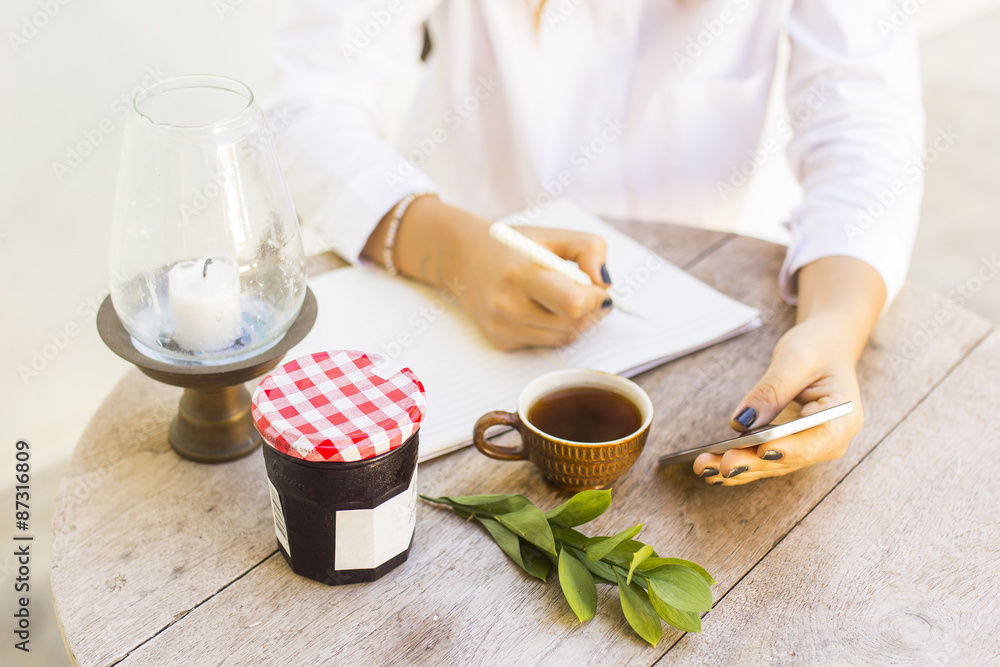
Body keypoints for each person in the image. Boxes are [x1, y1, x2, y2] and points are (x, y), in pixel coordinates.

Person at [267, 0, 924, 486]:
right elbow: (304, 101)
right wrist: (450, 249)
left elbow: (866, 132)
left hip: (692, 305)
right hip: (437, 282)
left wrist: (837, 324)